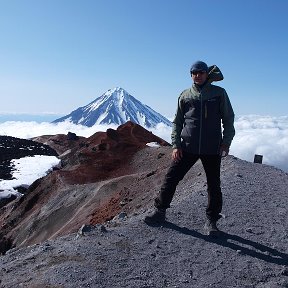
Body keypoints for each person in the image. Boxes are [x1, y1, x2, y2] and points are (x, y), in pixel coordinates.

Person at [144, 61, 235, 236]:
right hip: (187, 147)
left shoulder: (219, 94)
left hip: (212, 148)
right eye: (194, 73)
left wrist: (226, 143)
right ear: (191, 75)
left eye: (201, 72)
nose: (197, 75)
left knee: (213, 185)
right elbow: (177, 123)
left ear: (207, 74)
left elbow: (228, 119)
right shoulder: (185, 95)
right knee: (171, 178)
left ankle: (212, 222)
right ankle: (160, 211)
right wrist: (176, 145)